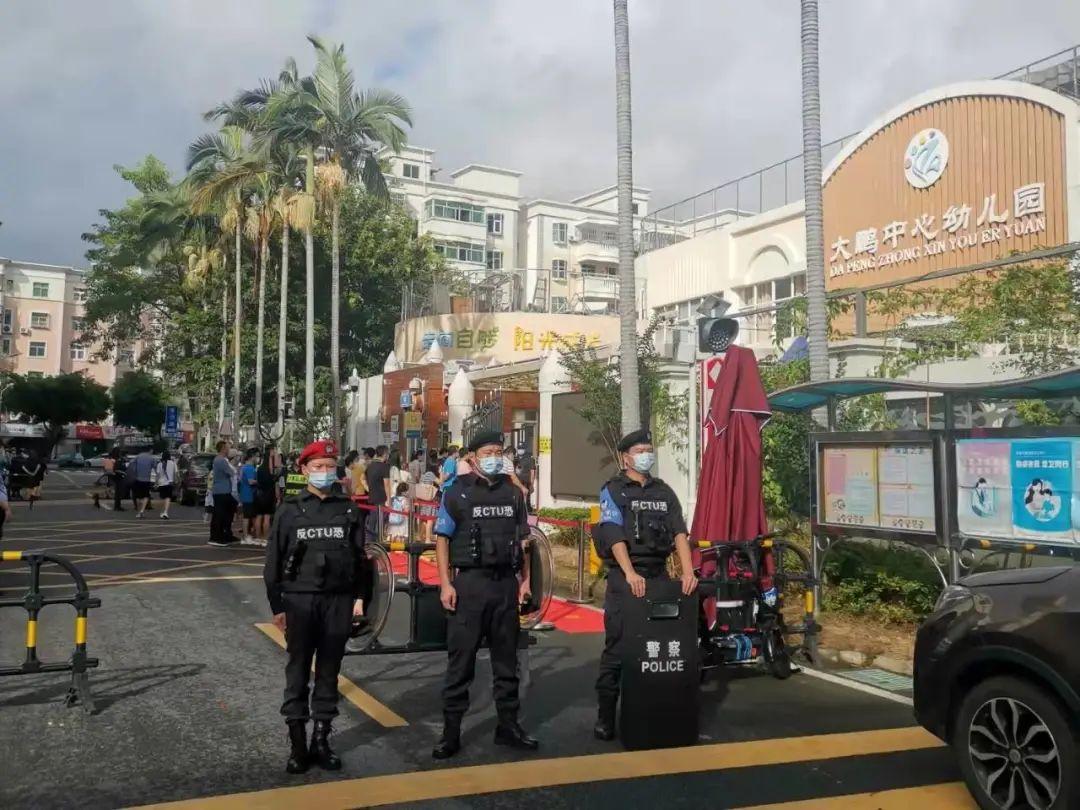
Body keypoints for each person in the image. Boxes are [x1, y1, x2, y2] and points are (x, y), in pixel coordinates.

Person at [263, 439, 369, 774]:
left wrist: (360, 600)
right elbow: (273, 562)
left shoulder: (348, 509)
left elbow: (360, 560)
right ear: (305, 470)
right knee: (297, 671)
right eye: (318, 466)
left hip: (338, 600)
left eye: (330, 466)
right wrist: (277, 606)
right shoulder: (289, 510)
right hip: (300, 600)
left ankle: (321, 740)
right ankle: (297, 744)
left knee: (329, 671)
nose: (325, 472)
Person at [431, 430, 537, 760]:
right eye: (487, 452)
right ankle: (450, 733)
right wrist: (446, 583)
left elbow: (524, 540)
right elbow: (442, 539)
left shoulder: (513, 493)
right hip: (470, 586)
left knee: (506, 662)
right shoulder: (456, 491)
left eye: (497, 452)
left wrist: (526, 582)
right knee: (461, 663)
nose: (494, 457)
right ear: (473, 457)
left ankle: (508, 726)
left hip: (505, 585)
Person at [590, 429, 697, 741]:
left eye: (649, 450)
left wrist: (687, 572)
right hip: (626, 578)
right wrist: (629, 573)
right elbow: (613, 534)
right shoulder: (613, 490)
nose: (646, 455)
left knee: (660, 645)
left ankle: (656, 711)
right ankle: (606, 716)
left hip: (658, 576)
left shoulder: (663, 492)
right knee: (619, 646)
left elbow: (679, 532)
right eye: (639, 451)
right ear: (625, 457)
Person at [209, 441, 239, 547]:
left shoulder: (221, 460)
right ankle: (216, 537)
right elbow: (232, 472)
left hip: (224, 491)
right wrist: (233, 465)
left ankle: (226, 534)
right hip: (221, 491)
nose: (229, 450)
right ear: (223, 449)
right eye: (227, 448)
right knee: (219, 514)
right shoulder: (221, 460)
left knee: (228, 510)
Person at [364, 445, 391, 541]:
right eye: (388, 453)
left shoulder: (370, 466)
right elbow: (387, 484)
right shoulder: (385, 467)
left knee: (372, 520)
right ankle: (379, 540)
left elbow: (363, 479)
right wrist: (389, 500)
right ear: (385, 454)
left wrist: (368, 488)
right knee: (381, 521)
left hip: (372, 496)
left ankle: (369, 540)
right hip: (382, 497)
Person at [239, 448, 261, 545]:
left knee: (249, 516)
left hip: (247, 494)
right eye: (257, 456)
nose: (258, 458)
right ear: (252, 456)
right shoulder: (249, 468)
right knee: (247, 517)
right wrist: (260, 481)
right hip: (248, 495)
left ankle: (248, 535)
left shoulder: (246, 467)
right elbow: (251, 481)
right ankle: (245, 536)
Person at [255, 452, 278, 540]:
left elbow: (257, 481)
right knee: (267, 517)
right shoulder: (272, 471)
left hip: (259, 494)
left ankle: (258, 536)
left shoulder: (259, 469)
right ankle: (265, 537)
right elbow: (275, 483)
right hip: (269, 494)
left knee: (259, 516)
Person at [129, 446, 156, 518]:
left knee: (138, 496)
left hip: (137, 479)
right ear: (150, 450)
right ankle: (142, 511)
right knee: (146, 496)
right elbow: (155, 467)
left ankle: (139, 511)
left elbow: (132, 466)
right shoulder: (151, 458)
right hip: (147, 480)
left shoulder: (138, 457)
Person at [155, 450, 179, 520]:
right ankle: (165, 512)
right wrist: (177, 480)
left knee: (163, 498)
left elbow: (157, 475)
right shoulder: (173, 463)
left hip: (161, 483)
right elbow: (176, 473)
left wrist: (156, 483)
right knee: (168, 498)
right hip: (170, 483)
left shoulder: (159, 464)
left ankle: (163, 512)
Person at [515, 444, 537, 511]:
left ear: (525, 449)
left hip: (526, 481)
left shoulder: (530, 459)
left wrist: (531, 483)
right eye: (519, 448)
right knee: (518, 496)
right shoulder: (516, 459)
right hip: (517, 481)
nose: (520, 450)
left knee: (526, 497)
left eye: (521, 448)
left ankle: (527, 509)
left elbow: (532, 472)